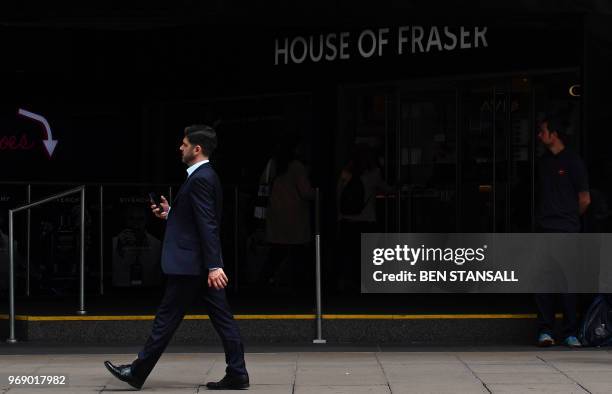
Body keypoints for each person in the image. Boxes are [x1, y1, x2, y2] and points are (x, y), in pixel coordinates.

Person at [104, 125, 249, 390]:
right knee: (221, 319)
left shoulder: (201, 178)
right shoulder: (203, 176)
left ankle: (137, 372)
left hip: (192, 266)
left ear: (197, 148)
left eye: (184, 144)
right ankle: (237, 372)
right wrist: (171, 214)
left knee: (166, 320)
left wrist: (215, 265)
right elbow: (196, 221)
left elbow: (208, 224)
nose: (180, 148)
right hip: (198, 264)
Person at [535, 115, 590, 348]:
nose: (539, 135)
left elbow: (584, 199)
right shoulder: (543, 162)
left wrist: (569, 218)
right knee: (544, 282)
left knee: (567, 283)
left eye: (543, 131)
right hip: (545, 228)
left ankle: (570, 332)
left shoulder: (573, 162)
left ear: (554, 134)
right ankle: (545, 331)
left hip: (566, 229)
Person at [258, 135, 315, 291]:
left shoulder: (273, 164)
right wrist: (317, 193)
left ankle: (264, 281)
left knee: (277, 251)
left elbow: (263, 186)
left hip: (275, 213)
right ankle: (298, 284)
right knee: (298, 251)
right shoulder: (297, 166)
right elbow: (305, 192)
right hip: (295, 215)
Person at [336, 144, 393, 292]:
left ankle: (347, 281)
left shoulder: (345, 173)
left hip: (347, 220)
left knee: (349, 252)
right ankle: (364, 282)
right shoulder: (373, 173)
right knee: (366, 254)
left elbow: (338, 196)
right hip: (366, 220)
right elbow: (386, 189)